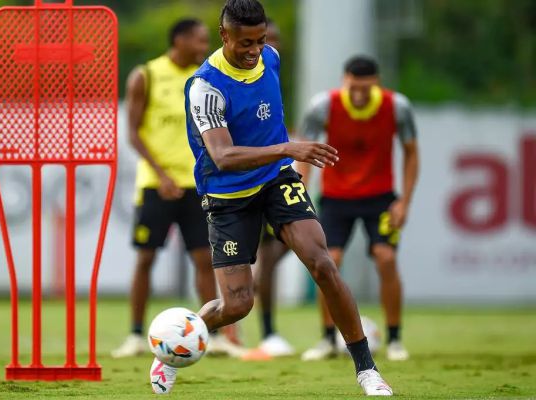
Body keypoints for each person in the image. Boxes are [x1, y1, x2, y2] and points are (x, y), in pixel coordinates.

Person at [149, 0, 393, 395]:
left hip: (277, 180)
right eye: (245, 42)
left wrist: (283, 155)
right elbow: (224, 157)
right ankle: (173, 342)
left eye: (260, 40)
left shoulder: (271, 58)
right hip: (228, 195)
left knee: (323, 264)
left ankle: (367, 369)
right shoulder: (205, 87)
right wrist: (288, 148)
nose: (254, 50)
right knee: (236, 305)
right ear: (224, 35)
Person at [112, 18, 244, 359]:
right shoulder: (147, 75)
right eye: (199, 41)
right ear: (180, 39)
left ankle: (210, 335)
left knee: (204, 259)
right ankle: (136, 335)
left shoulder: (206, 77)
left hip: (197, 186)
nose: (204, 47)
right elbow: (133, 133)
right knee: (146, 257)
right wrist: (162, 174)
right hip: (157, 185)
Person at [298, 55, 418, 362]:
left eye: (367, 87)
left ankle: (394, 339)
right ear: (345, 81)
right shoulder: (323, 106)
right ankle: (327, 340)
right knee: (328, 261)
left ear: (376, 83)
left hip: (380, 198)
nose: (360, 94)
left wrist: (404, 200)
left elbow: (411, 153)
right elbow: (304, 151)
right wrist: (300, 192)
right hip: (336, 198)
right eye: (354, 87)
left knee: (386, 258)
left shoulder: (397, 107)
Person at [241, 16, 295, 361]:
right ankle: (266, 330)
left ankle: (269, 330)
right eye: (262, 40)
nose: (266, 47)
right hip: (245, 182)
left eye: (271, 40)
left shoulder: (271, 70)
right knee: (256, 259)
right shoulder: (229, 76)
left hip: (276, 178)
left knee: (277, 254)